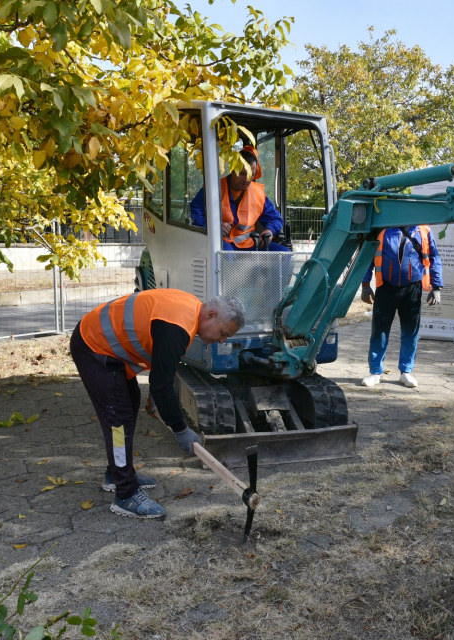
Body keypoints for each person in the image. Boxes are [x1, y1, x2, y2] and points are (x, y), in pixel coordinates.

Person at [70, 290, 246, 519]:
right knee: (118, 419)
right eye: (223, 333)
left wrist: (158, 400)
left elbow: (159, 369)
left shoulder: (189, 310)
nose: (221, 341)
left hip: (104, 345)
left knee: (129, 403)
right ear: (211, 315)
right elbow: (162, 385)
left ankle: (118, 473)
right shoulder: (179, 327)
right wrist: (180, 429)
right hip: (93, 346)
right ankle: (125, 494)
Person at [360, 226, 443, 388]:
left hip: (412, 289)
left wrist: (437, 286)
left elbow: (434, 257)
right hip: (385, 287)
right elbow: (368, 257)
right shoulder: (382, 228)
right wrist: (365, 284)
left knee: (410, 332)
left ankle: (406, 372)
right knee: (379, 332)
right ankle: (375, 372)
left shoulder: (424, 230)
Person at [190, 145, 289, 251]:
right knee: (226, 255)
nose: (247, 179)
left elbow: (275, 218)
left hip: (250, 244)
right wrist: (213, 226)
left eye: (251, 174)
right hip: (222, 243)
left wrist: (270, 231)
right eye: (242, 174)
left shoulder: (258, 194)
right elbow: (194, 214)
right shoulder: (212, 189)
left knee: (284, 253)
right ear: (233, 170)